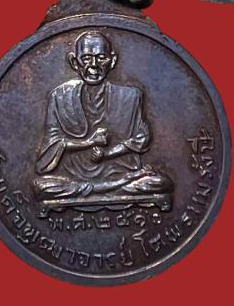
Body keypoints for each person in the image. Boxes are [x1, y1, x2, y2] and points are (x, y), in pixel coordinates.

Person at [33, 31, 173, 208]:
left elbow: (141, 139)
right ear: (74, 62)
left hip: (118, 173)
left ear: (112, 61)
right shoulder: (60, 97)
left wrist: (108, 154)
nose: (93, 66)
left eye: (101, 58)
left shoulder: (130, 96)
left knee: (160, 182)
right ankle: (113, 187)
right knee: (40, 186)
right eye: (86, 58)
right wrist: (88, 143)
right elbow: (50, 148)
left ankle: (105, 187)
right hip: (75, 177)